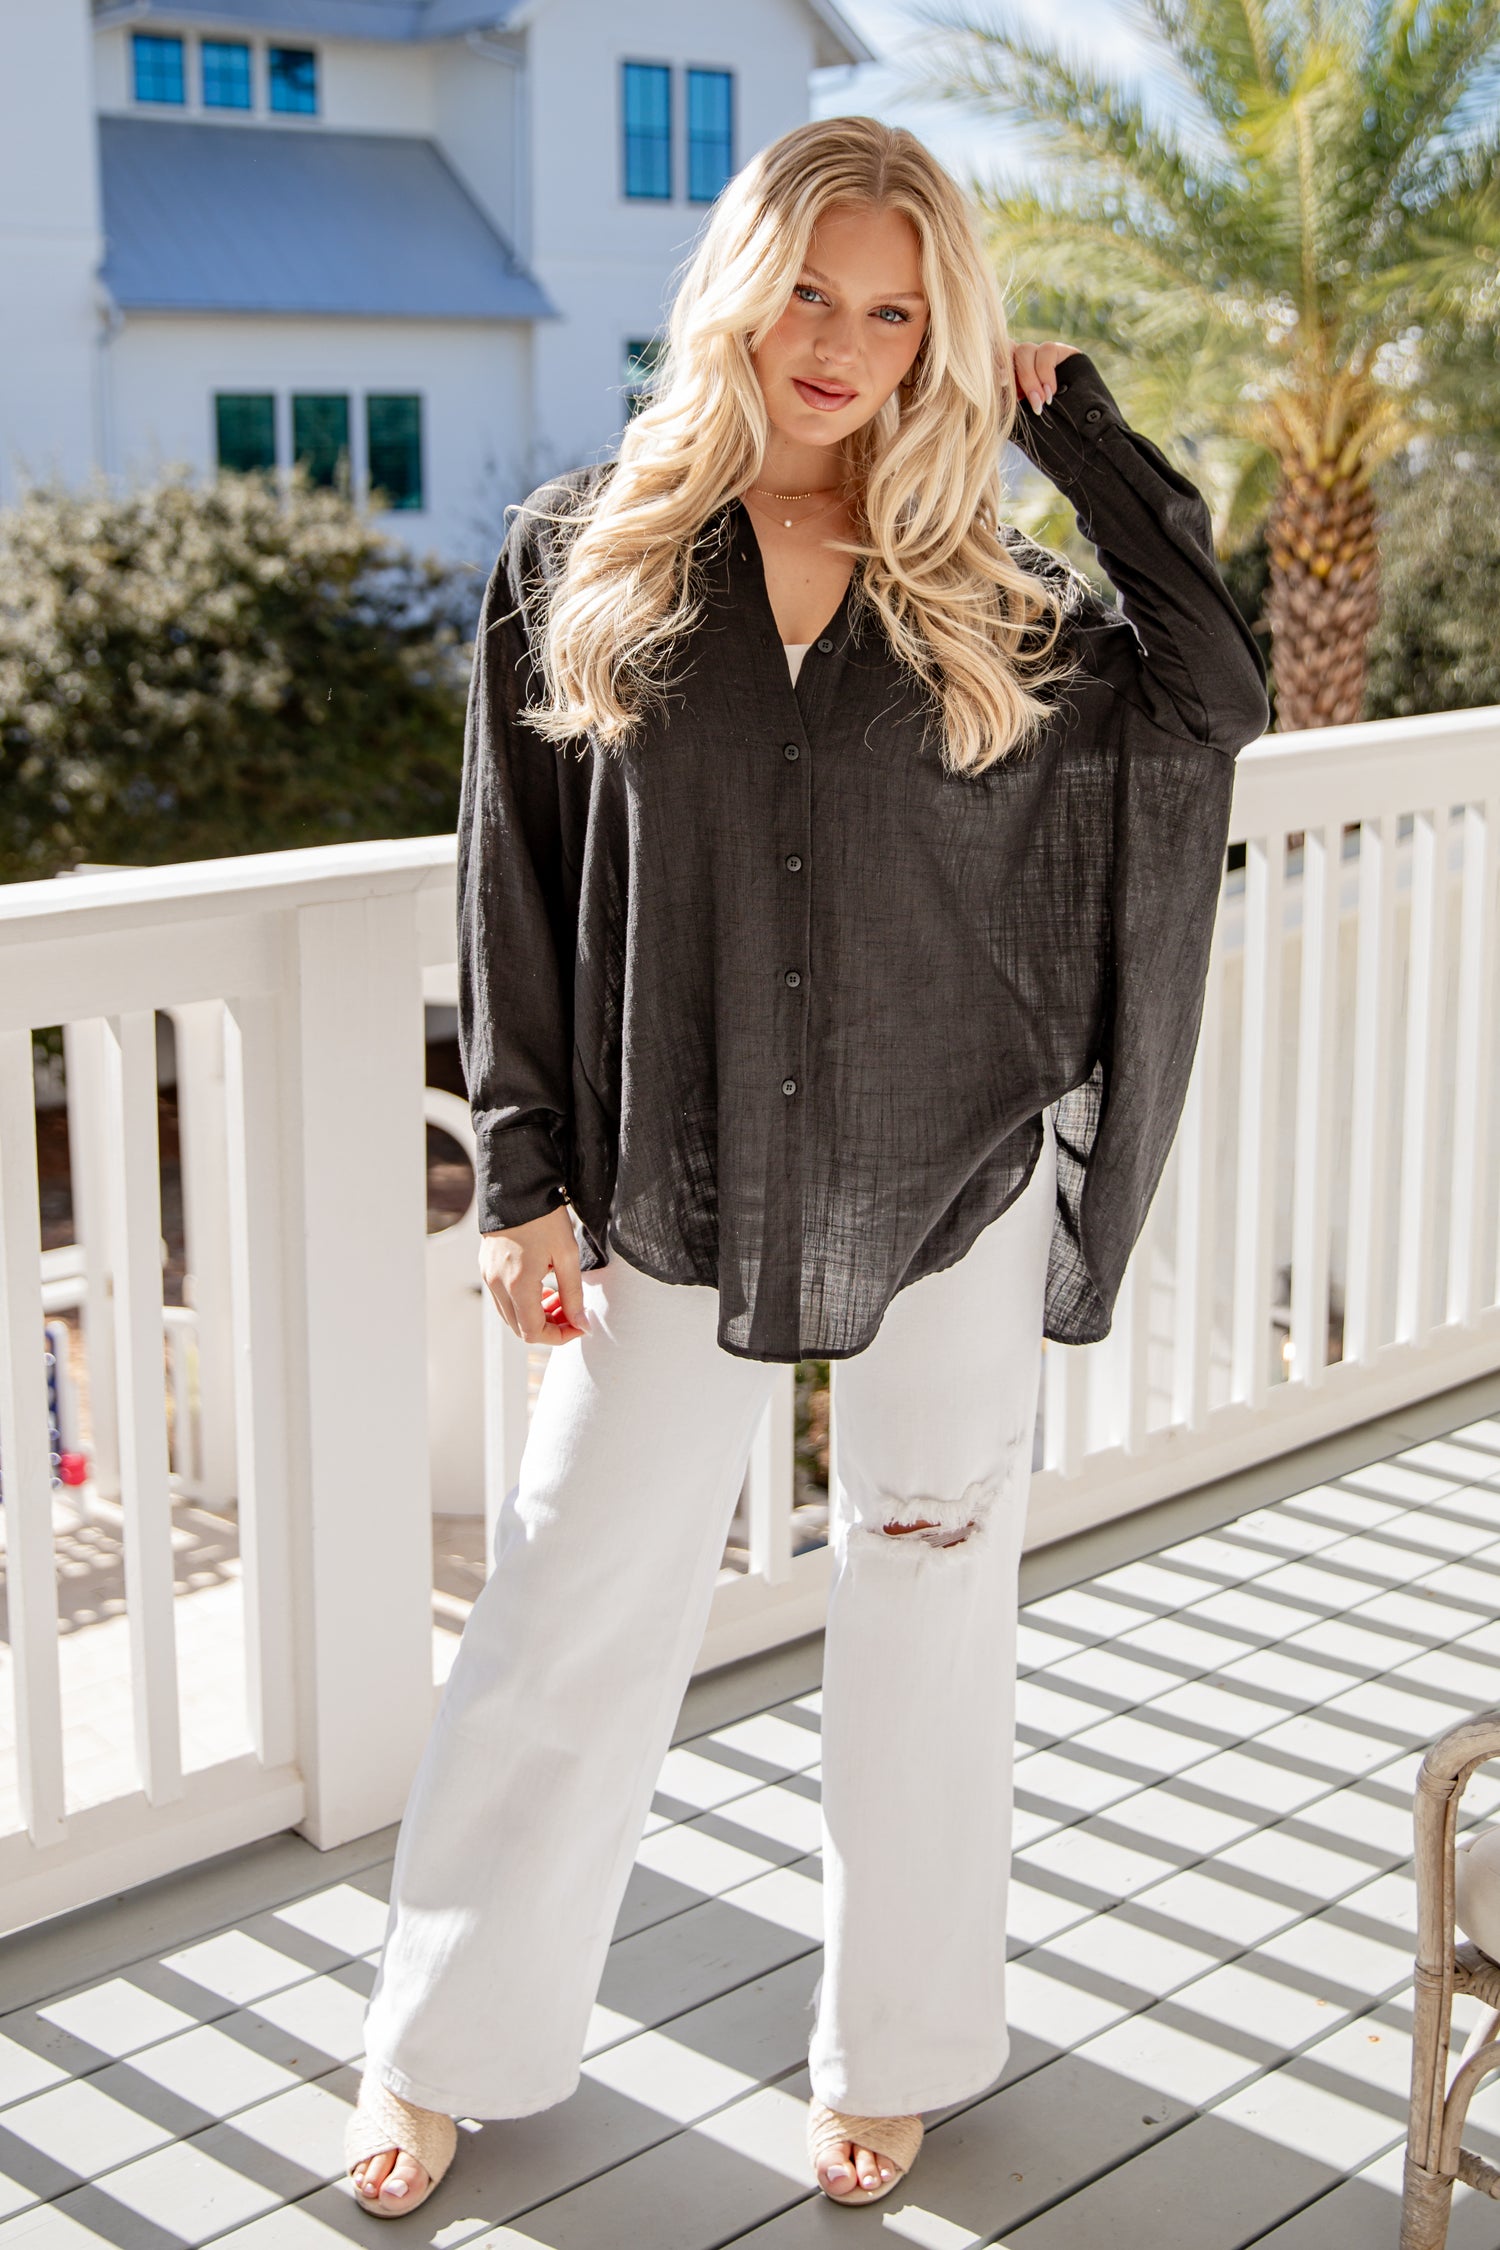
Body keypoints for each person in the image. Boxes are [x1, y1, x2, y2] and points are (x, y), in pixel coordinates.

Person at [344, 114, 1269, 2216]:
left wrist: (1077, 428)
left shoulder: (992, 589)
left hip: (946, 1164)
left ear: (944, 330)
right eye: (813, 292)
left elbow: (1215, 689)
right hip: (665, 1172)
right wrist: (515, 1172)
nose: (842, 344)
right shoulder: (577, 552)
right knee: (572, 1603)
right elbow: (516, 880)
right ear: (736, 286)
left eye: (897, 308)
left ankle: (903, 2042)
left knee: (929, 1609)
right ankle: (446, 2042)